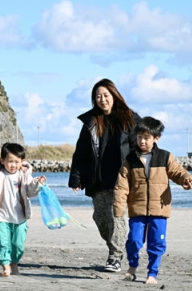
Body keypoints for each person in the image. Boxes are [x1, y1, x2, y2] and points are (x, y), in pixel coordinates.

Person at [68, 78, 141, 272]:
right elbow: (81, 153)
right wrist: (77, 178)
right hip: (98, 178)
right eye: (98, 96)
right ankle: (115, 249)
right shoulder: (91, 122)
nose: (102, 99)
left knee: (116, 217)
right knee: (100, 218)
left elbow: (139, 147)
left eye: (105, 95)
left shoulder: (130, 118)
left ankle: (115, 257)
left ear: (114, 96)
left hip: (122, 178)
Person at [113, 116, 192, 284]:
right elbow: (121, 186)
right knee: (134, 241)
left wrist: (187, 179)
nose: (142, 141)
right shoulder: (130, 159)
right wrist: (118, 208)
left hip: (159, 209)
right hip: (137, 208)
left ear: (156, 138)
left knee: (156, 243)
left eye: (146, 137)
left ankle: (152, 273)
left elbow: (178, 172)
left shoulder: (165, 157)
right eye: (139, 137)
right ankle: (133, 266)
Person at [0, 142, 46, 277]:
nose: (13, 165)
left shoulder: (24, 175)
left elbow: (30, 192)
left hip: (20, 218)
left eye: (16, 162)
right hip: (2, 217)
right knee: (4, 243)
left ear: (22, 162)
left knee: (18, 245)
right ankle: (5, 266)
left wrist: (37, 184)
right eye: (10, 161)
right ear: (2, 160)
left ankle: (14, 263)